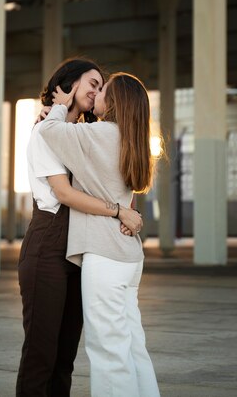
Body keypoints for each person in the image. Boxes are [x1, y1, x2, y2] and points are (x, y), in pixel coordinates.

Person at [16, 59, 143, 397]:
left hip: (80, 246)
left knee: (65, 356)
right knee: (41, 352)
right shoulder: (46, 131)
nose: (98, 91)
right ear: (68, 85)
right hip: (48, 242)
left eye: (101, 87)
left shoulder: (84, 136)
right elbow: (63, 193)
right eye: (93, 83)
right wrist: (119, 212)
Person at [38, 72, 161, 397]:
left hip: (103, 256)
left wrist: (60, 105)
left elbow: (48, 131)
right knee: (134, 347)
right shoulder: (132, 140)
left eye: (102, 89)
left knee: (108, 350)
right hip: (128, 256)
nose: (97, 93)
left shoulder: (97, 135)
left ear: (114, 100)